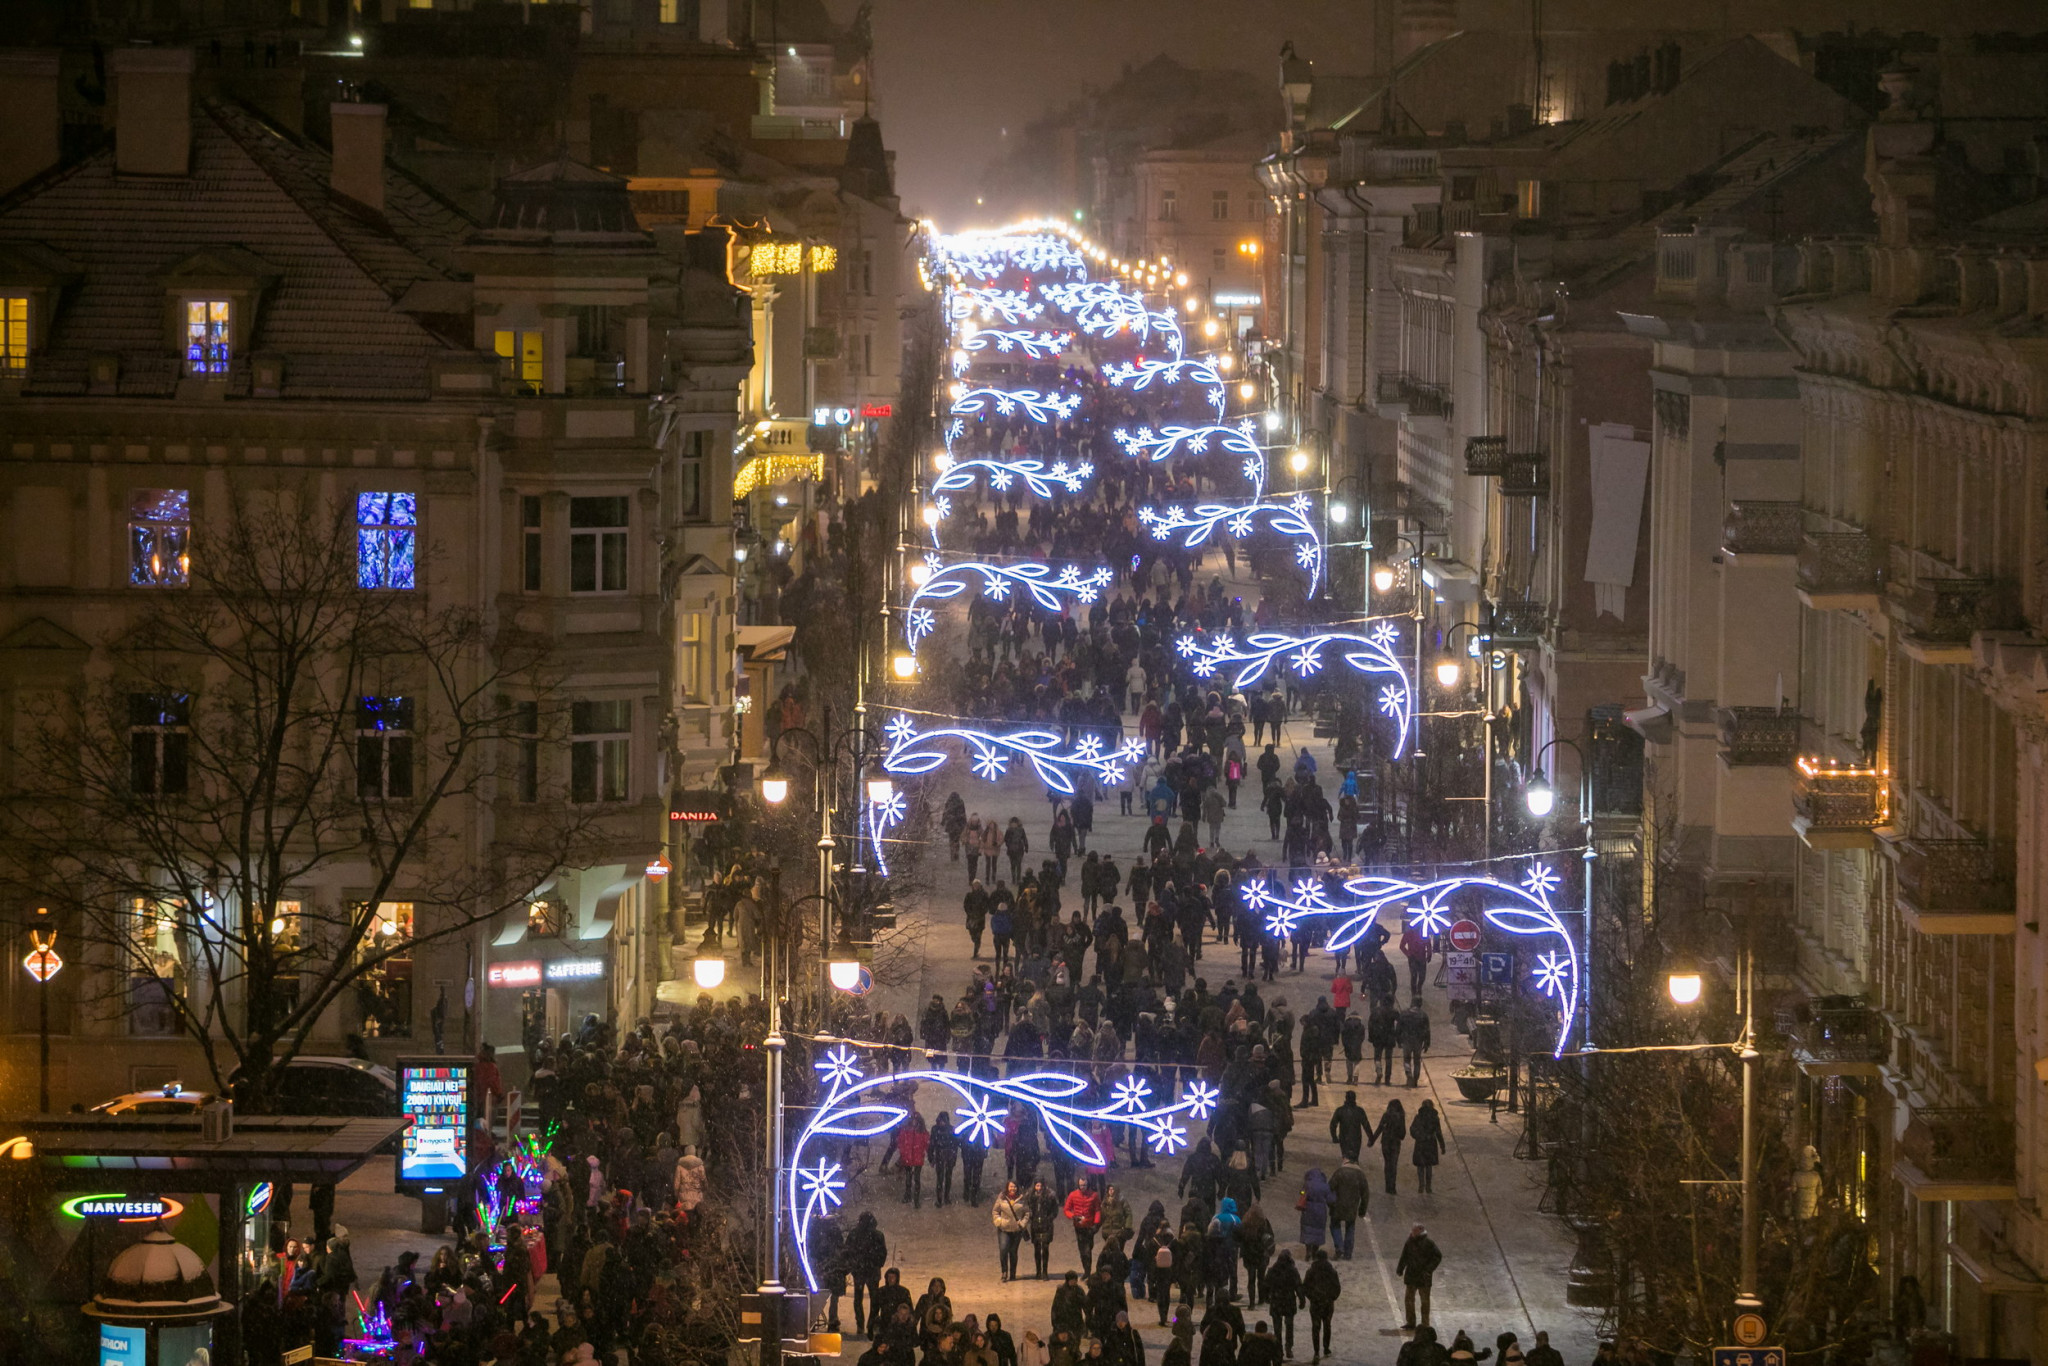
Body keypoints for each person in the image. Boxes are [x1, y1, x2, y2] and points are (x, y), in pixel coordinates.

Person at [847, 1212, 887, 1336]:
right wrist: (877, 1264)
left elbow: (848, 1251)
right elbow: (882, 1252)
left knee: (858, 1298)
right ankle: (871, 1324)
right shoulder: (877, 1235)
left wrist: (853, 1265)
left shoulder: (854, 1234)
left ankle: (861, 1325)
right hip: (871, 1271)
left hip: (860, 1270)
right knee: (874, 1299)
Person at [1396, 1224, 1442, 1330]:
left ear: (1419, 1232)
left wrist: (1428, 1270)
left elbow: (1438, 1256)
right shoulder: (1410, 1242)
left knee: (1425, 1302)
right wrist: (1400, 1268)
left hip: (1423, 1278)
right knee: (1409, 1300)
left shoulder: (1429, 1244)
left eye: (1414, 1231)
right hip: (1412, 1276)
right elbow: (1405, 1256)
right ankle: (1411, 1322)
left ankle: (1425, 1324)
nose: (1411, 1232)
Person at [1301, 1249, 1340, 1362]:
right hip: (1328, 1304)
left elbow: (1305, 1287)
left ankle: (1316, 1351)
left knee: (1315, 1327)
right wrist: (1331, 1298)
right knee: (1327, 1325)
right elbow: (1337, 1287)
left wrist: (1312, 1297)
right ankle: (1326, 1348)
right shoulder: (1332, 1271)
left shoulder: (1311, 1271)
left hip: (1316, 1304)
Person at [1327, 1158, 1367, 1261]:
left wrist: (1330, 1204)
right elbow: (1365, 1194)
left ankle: (1339, 1247)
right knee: (1350, 1228)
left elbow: (1329, 1188)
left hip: (1338, 1206)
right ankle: (1348, 1253)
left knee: (1334, 1225)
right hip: (1352, 1207)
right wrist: (1362, 1210)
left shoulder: (1339, 1172)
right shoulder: (1360, 1175)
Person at [1262, 1249, 1299, 1359]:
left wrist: (1266, 1297)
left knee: (1277, 1328)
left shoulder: (1272, 1270)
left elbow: (1265, 1286)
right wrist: (1302, 1299)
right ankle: (1288, 1347)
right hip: (1289, 1302)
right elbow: (1298, 1286)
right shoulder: (1292, 1271)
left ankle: (1278, 1350)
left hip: (1276, 1302)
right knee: (1289, 1326)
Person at [1065, 1176, 1104, 1274]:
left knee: (1087, 1249)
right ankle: (1086, 1270)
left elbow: (1097, 1210)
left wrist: (1096, 1223)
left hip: (1089, 1226)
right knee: (1082, 1250)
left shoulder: (1094, 1195)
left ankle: (1087, 1270)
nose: (1083, 1187)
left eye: (1085, 1185)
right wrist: (1073, 1216)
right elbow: (1066, 1209)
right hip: (1078, 1226)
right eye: (1081, 1185)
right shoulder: (1073, 1195)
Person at [1027, 1178, 1062, 1279]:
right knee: (1037, 1248)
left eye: (1040, 1186)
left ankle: (1045, 1271)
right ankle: (1038, 1271)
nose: (1039, 1188)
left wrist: (1049, 1218)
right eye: (1037, 1186)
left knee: (1045, 1248)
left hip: (1046, 1225)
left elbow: (1055, 1209)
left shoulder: (1050, 1196)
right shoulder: (1030, 1196)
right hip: (1035, 1225)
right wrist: (1030, 1217)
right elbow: (1027, 1208)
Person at [995, 1182, 1030, 1282]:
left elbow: (1027, 1213)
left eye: (1014, 1186)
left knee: (1013, 1252)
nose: (1013, 1188)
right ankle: (1004, 1272)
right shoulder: (1002, 1198)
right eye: (1011, 1186)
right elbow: (995, 1211)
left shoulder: (1022, 1199)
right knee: (1003, 1250)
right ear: (1007, 1187)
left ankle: (1013, 1273)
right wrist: (999, 1221)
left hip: (1016, 1230)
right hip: (1004, 1229)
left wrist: (1022, 1223)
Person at [1371, 1099, 1407, 1195]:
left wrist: (1372, 1140)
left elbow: (1379, 1128)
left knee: (1387, 1164)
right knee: (1393, 1165)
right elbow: (1403, 1134)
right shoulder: (1401, 1117)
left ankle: (1388, 1186)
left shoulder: (1386, 1116)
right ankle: (1392, 1187)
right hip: (1395, 1143)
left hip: (1386, 1143)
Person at [1410, 1099, 1445, 1194]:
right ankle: (1428, 1186)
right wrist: (1442, 1145)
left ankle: (1421, 1185)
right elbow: (1438, 1132)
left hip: (1420, 1143)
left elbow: (1412, 1129)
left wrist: (1419, 1136)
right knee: (1429, 1165)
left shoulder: (1418, 1117)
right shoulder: (1434, 1118)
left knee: (1420, 1166)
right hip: (1430, 1143)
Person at [1296, 1169, 1331, 1258]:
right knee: (1318, 1230)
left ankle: (1308, 1251)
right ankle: (1315, 1252)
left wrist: (1303, 1192)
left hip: (1308, 1209)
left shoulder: (1307, 1184)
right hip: (1320, 1211)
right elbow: (1330, 1199)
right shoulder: (1325, 1186)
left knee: (1307, 1229)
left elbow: (1302, 1192)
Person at [899, 1110, 930, 1208]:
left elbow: (926, 1144)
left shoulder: (917, 1132)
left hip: (916, 1159)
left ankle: (915, 1198)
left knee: (916, 1179)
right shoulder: (909, 1131)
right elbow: (901, 1142)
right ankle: (909, 1195)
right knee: (909, 1179)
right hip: (911, 1158)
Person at [932, 1111, 962, 1207]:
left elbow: (932, 1144)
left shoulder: (936, 1129)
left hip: (944, 1156)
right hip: (946, 1156)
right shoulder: (951, 1130)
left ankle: (944, 1197)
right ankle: (942, 1198)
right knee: (942, 1178)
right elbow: (957, 1143)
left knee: (944, 1178)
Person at [1328, 1092, 1369, 1163]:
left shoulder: (1340, 1110)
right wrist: (1371, 1138)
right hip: (1356, 1137)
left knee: (1345, 1157)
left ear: (1346, 1098)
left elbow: (1333, 1125)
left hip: (1344, 1137)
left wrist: (1334, 1137)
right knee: (1355, 1157)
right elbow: (1366, 1126)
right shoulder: (1359, 1111)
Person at [1398, 1000, 1431, 1086]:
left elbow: (1399, 1028)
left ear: (1412, 1003)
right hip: (1418, 1040)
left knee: (1406, 1059)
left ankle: (1408, 1072)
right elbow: (1427, 1030)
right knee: (1417, 1060)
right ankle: (1415, 1080)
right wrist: (1427, 1043)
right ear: (1420, 1004)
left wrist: (1398, 1040)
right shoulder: (1423, 1015)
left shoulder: (1404, 1014)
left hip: (1406, 1039)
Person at [1368, 996, 1399, 1085]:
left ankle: (1379, 1071)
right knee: (1388, 1059)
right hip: (1389, 1037)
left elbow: (1370, 1024)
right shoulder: (1394, 1011)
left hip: (1378, 1037)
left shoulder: (1375, 1011)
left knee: (1377, 1057)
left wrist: (1371, 1037)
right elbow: (1400, 1023)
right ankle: (1387, 1079)